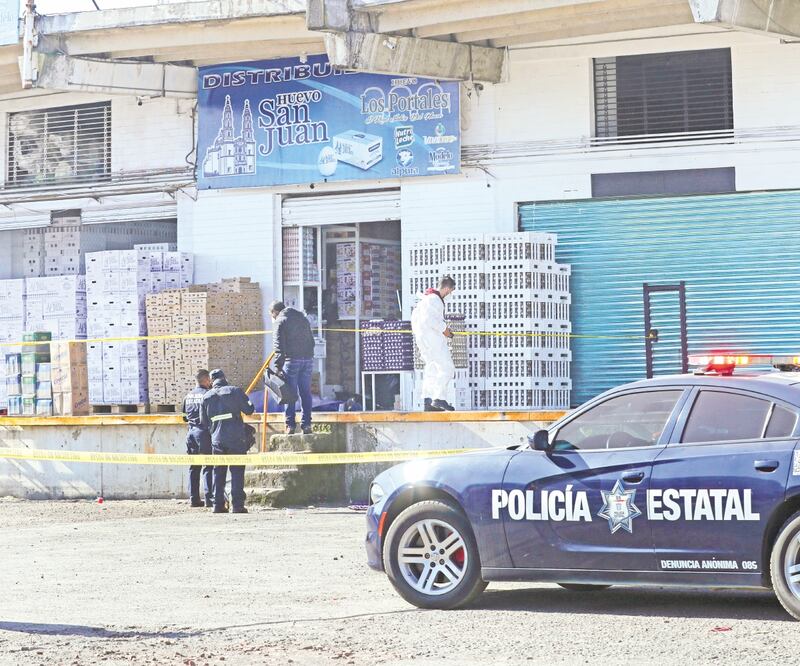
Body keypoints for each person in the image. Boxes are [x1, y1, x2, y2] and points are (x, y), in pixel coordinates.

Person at [200, 368, 255, 514]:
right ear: (225, 378)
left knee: (218, 472)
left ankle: (218, 505)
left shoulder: (206, 397)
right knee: (237, 471)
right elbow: (250, 410)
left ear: (211, 381)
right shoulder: (235, 391)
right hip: (236, 438)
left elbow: (203, 422)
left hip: (217, 439)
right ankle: (237, 505)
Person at [411, 275, 457, 412]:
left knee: (431, 369)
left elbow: (417, 320)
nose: (450, 294)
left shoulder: (425, 300)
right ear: (447, 288)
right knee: (447, 367)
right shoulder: (434, 300)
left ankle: (428, 400)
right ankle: (439, 398)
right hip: (433, 339)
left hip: (422, 339)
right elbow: (430, 320)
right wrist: (445, 330)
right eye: (451, 291)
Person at [269, 300, 315, 435]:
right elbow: (312, 341)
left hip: (292, 360)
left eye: (271, 315)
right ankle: (307, 425)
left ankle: (290, 426)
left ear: (275, 312)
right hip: (307, 359)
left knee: (290, 394)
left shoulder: (280, 320)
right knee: (306, 393)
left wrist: (278, 366)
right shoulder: (302, 318)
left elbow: (278, 346)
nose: (272, 318)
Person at [182, 369, 213, 508]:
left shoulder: (187, 396)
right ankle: (208, 498)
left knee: (194, 467)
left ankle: (194, 499)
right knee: (208, 465)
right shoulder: (207, 395)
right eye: (210, 380)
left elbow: (184, 417)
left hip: (190, 433)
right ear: (206, 380)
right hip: (203, 433)